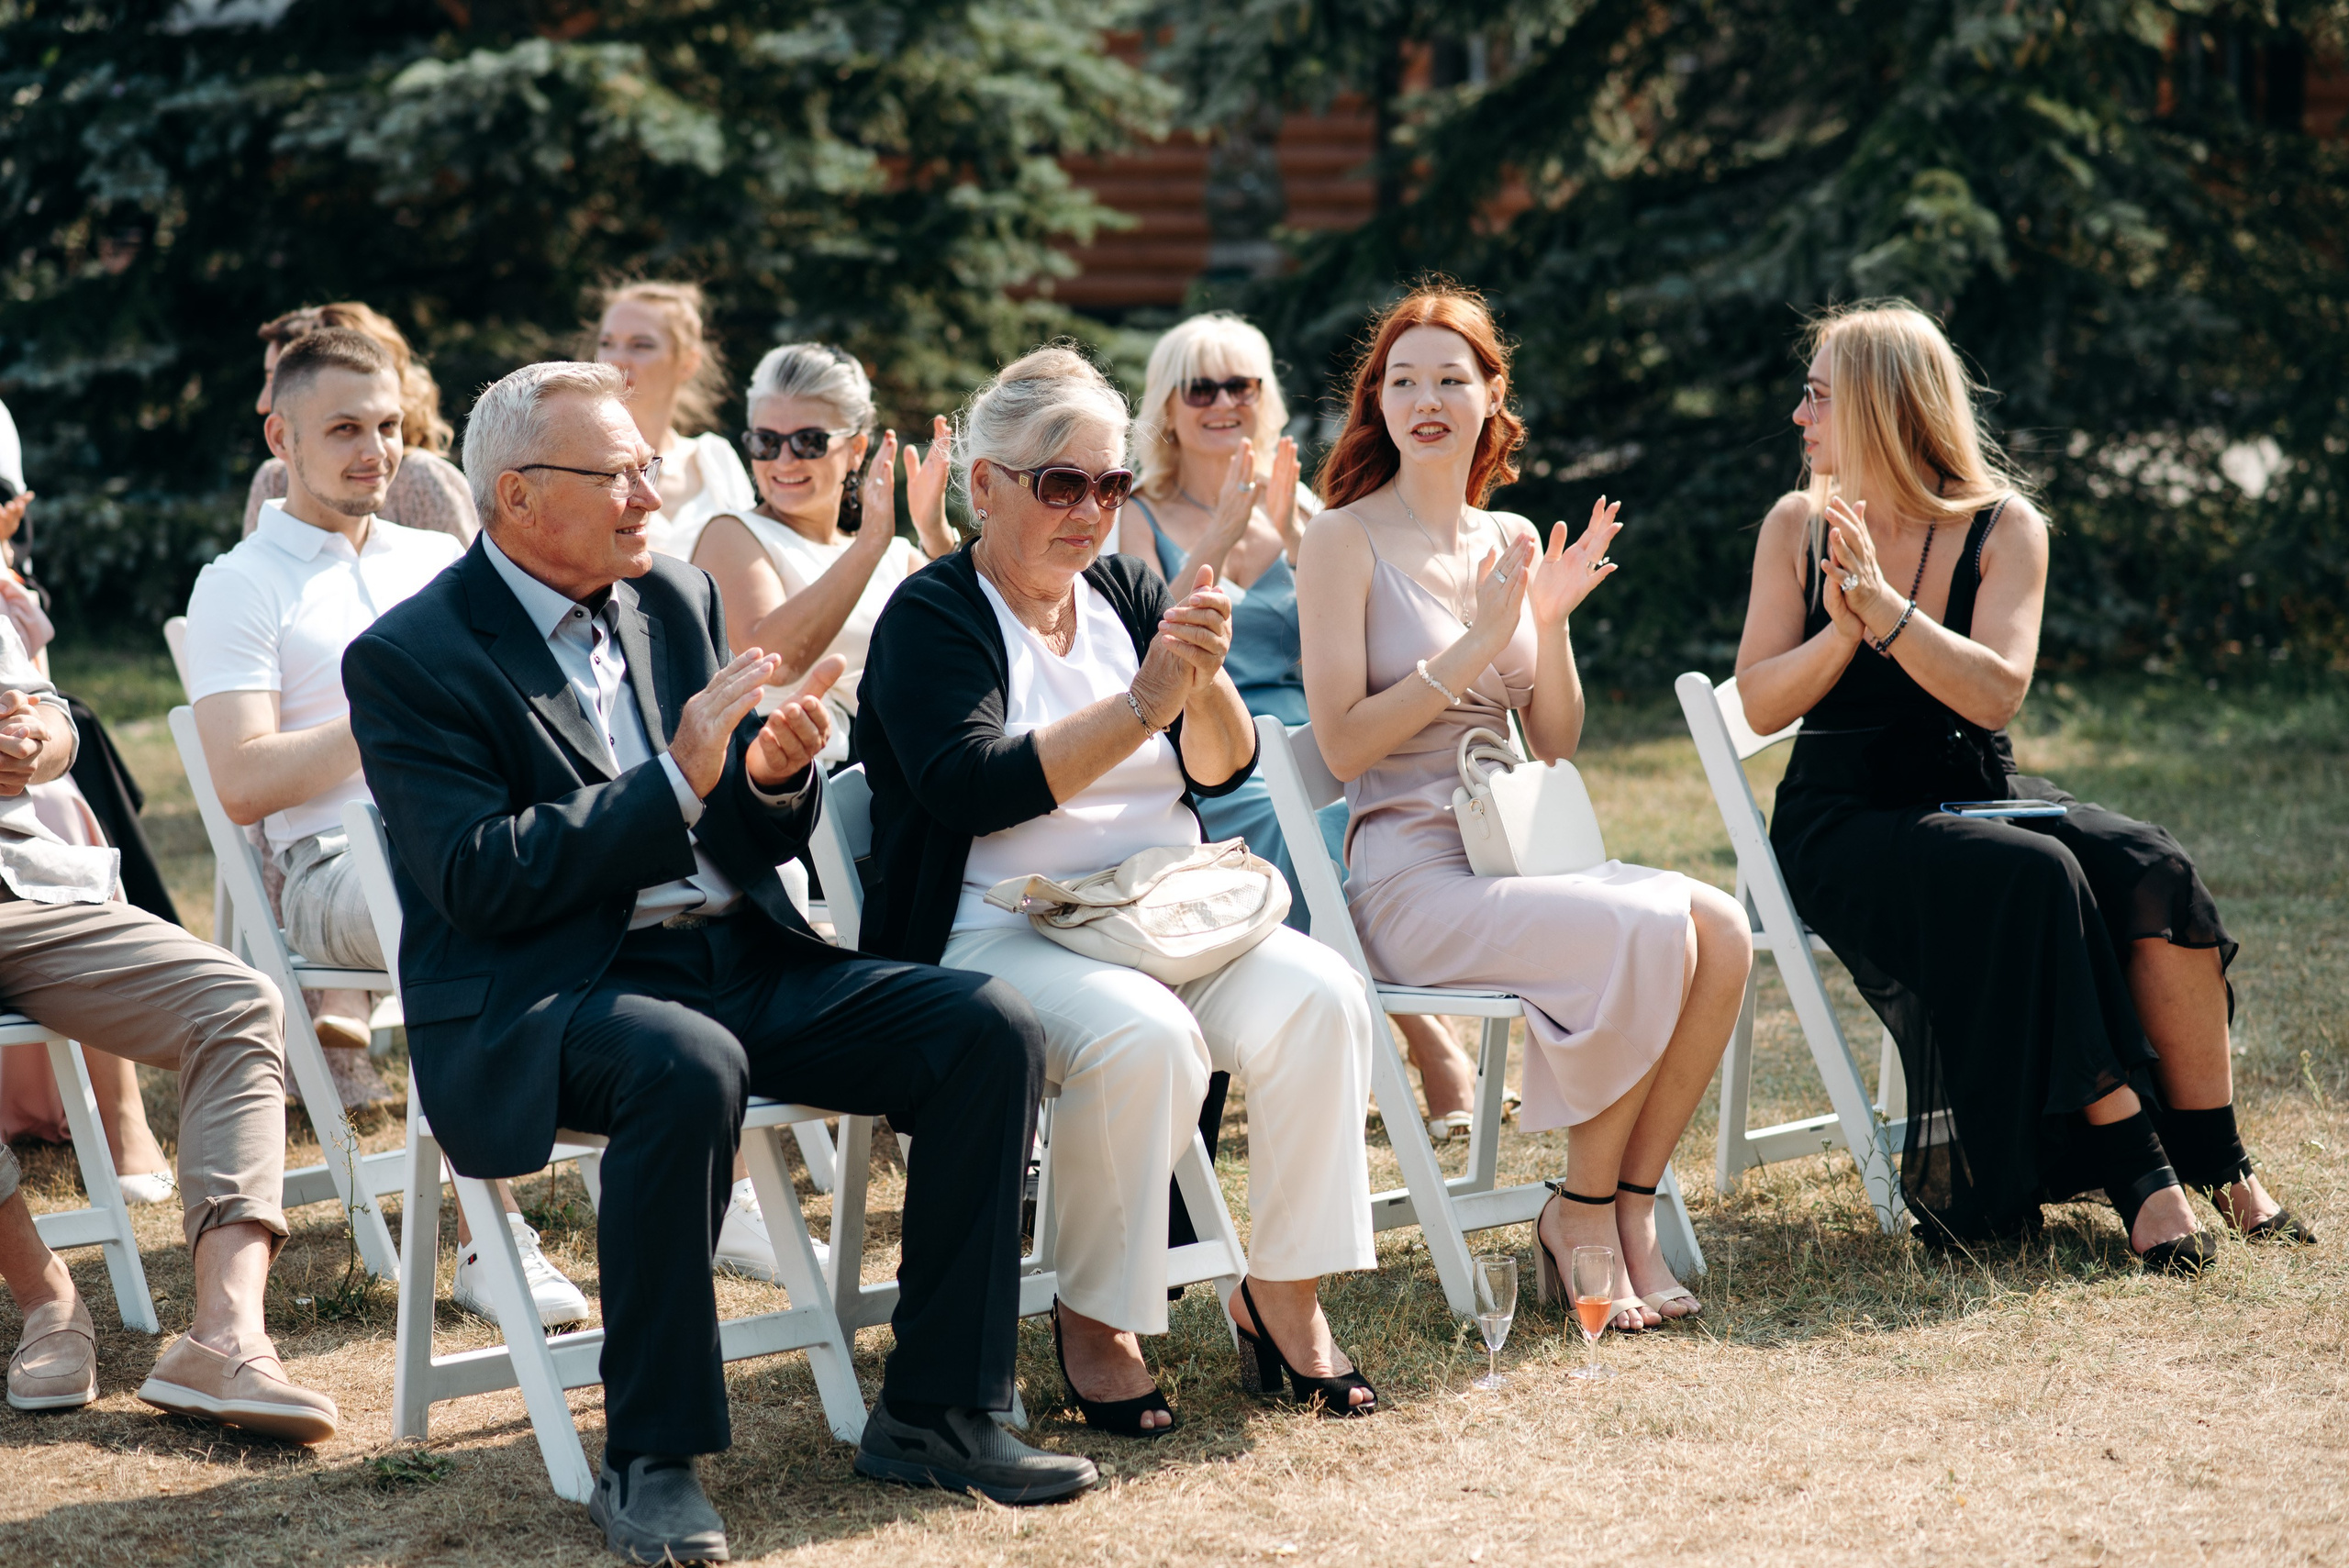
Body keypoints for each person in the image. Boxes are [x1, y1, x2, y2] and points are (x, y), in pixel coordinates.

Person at [345, 361, 1093, 1561]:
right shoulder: (410, 655)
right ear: (519, 495)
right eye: (619, 475)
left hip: (738, 957)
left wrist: (769, 777)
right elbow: (479, 877)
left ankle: (940, 1411)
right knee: (684, 1063)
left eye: (650, 468)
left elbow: (737, 823)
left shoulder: (671, 598)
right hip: (558, 992)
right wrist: (676, 778)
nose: (652, 494)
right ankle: (651, 1459)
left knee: (983, 1025)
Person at [859, 345, 1380, 1432]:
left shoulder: (1128, 588)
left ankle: (1281, 1290)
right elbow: (970, 789)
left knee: (1326, 994)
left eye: (1110, 484)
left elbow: (1221, 766)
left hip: (1161, 906)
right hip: (998, 924)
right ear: (985, 484)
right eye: (1062, 484)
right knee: (1144, 1035)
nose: (1091, 510)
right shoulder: (933, 613)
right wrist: (1145, 700)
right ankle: (1095, 1316)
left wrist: (1201, 676)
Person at [1732, 302, 2311, 1264]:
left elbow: (1995, 693)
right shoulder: (1796, 525)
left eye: (1818, 395)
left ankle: (2224, 1164)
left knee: (2153, 865)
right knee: (2035, 874)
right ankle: (2141, 1175)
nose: (1799, 414)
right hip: (1844, 817)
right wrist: (1841, 628)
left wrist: (1884, 606)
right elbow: (1757, 701)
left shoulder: (2006, 527)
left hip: (1973, 789)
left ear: (1880, 405)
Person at [1295, 284, 1753, 1330]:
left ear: (1491, 397)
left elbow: (1553, 740)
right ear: (1376, 403)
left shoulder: (1506, 532)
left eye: (1450, 379)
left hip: (1518, 851)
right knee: (1645, 924)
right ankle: (1577, 1213)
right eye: (1402, 380)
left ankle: (1627, 1205)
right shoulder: (1341, 540)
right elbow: (1343, 744)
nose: (1426, 400)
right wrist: (1475, 641)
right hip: (1409, 877)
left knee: (1722, 929)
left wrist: (1546, 620)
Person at [188, 328, 587, 1329]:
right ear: (281, 437)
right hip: (334, 867)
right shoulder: (241, 580)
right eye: (343, 429)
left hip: (488, 825)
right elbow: (241, 780)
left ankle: (704, 1177)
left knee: (628, 865)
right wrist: (392, 712)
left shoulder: (442, 558)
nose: (376, 450)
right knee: (458, 901)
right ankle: (492, 1237)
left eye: (388, 425)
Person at [1119, 312, 1482, 1142]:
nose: (1223, 403)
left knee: (1362, 806)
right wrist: (1226, 538)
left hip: (1317, 726)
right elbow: (1143, 645)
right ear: (1167, 407)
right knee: (1301, 821)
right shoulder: (1138, 515)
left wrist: (1293, 537)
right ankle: (1426, 1038)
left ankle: (1381, 1017)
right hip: (1210, 746)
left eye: (1240, 385)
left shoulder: (1307, 509)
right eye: (1200, 388)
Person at [0, 606, 337, 1440]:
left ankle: (224, 1334)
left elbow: (53, 714)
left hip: (28, 890)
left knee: (238, 1001)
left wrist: (38, 740)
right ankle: (47, 1298)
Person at [691, 343, 956, 762]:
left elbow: (973, 646)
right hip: (780, 783)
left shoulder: (897, 558)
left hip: (888, 779)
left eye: (809, 442)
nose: (784, 460)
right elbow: (772, 662)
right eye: (766, 441)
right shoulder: (732, 533)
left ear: (856, 450)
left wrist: (934, 533)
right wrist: (869, 545)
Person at [242, 302, 476, 543]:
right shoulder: (274, 479)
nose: (263, 403)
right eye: (274, 380)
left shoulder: (424, 481)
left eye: (278, 379)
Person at [590, 281, 757, 561]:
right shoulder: (579, 462)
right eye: (607, 343)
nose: (616, 360)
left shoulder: (715, 458)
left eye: (641, 345)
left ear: (688, 362)